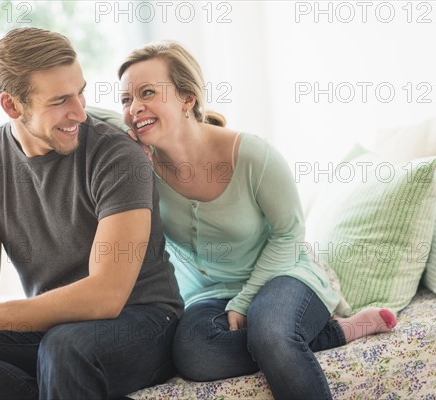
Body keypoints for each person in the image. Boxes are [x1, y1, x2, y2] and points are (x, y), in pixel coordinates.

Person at [0, 28, 184, 400]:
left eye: (80, 92)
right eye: (61, 100)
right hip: (57, 329)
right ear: (12, 106)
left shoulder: (118, 157)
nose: (80, 112)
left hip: (143, 320)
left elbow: (106, 296)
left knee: (66, 348)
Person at [113, 41, 397, 400]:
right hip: (211, 293)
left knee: (271, 333)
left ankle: (293, 334)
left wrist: (245, 302)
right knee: (196, 355)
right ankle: (332, 334)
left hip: (284, 273)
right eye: (125, 100)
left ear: (187, 98)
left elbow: (290, 234)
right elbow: (78, 116)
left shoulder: (251, 155)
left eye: (148, 93)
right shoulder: (141, 161)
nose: (134, 108)